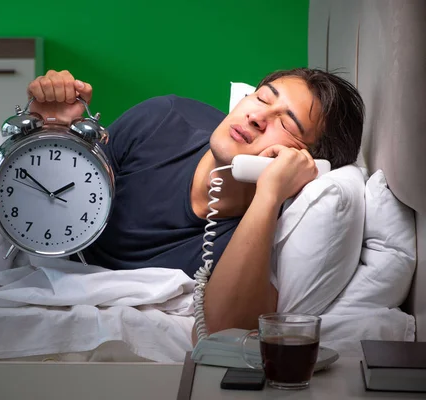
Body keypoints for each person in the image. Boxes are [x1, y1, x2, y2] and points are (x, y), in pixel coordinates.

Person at [26, 68, 365, 341]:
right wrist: (52, 131)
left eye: (287, 124)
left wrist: (268, 194)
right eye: (262, 98)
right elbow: (51, 203)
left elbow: (224, 333)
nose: (258, 117)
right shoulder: (162, 119)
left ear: (303, 161)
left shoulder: (261, 231)